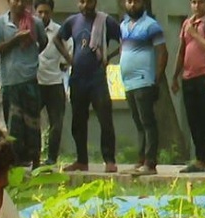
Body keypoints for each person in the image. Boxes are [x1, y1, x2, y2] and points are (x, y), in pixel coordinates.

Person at [55, 0, 122, 173]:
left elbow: (124, 39)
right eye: (82, 1)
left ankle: (109, 160)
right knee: (78, 121)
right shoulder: (72, 21)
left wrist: (109, 57)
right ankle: (81, 160)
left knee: (105, 119)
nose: (85, 5)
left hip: (97, 78)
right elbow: (57, 39)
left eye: (89, 1)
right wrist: (69, 59)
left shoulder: (106, 21)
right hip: (77, 78)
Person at [0, 0, 49, 166]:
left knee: (32, 122)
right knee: (13, 124)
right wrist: (16, 39)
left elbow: (43, 42)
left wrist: (31, 58)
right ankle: (15, 162)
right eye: (14, 0)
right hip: (9, 81)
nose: (18, 4)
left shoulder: (35, 22)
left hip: (29, 80)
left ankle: (35, 162)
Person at [171, 0, 205, 174]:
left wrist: (194, 33)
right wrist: (175, 76)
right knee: (194, 120)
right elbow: (181, 50)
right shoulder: (187, 23)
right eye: (193, 2)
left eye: (200, 2)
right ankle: (201, 159)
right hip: (188, 77)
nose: (196, 6)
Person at [120, 0, 167, 176]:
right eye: (129, 1)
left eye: (136, 1)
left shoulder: (151, 25)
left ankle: (150, 162)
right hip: (128, 82)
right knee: (138, 122)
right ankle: (140, 160)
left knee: (148, 122)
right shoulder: (123, 25)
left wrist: (157, 78)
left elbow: (163, 52)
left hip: (144, 80)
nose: (132, 5)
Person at [35, 1, 69, 166]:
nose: (43, 16)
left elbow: (69, 52)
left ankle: (52, 158)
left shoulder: (60, 31)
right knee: (33, 121)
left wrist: (64, 62)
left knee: (56, 123)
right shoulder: (30, 29)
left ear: (51, 12)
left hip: (55, 82)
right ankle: (34, 157)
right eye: (40, 12)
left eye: (46, 12)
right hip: (36, 82)